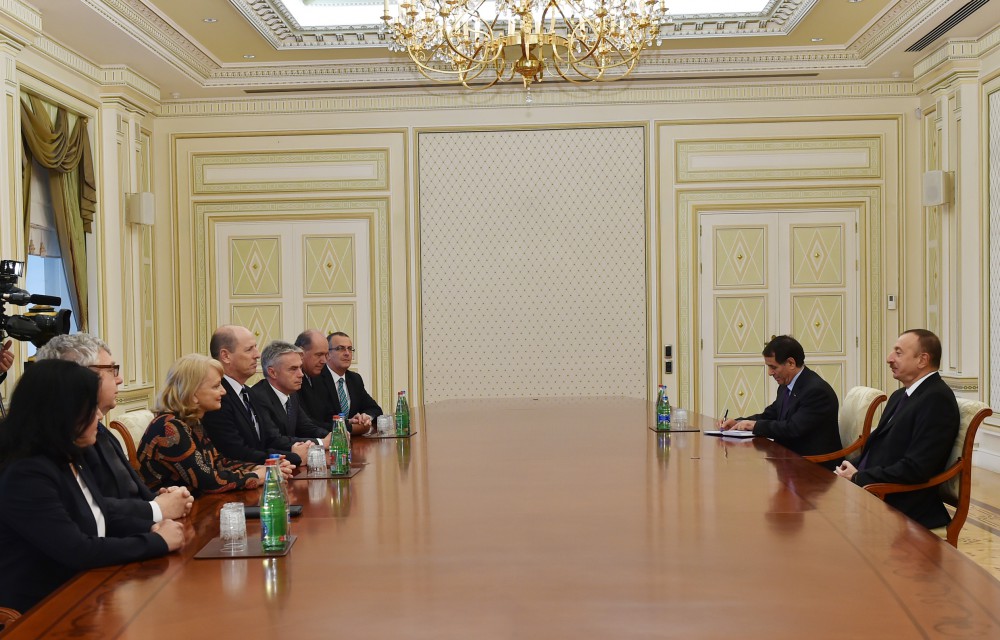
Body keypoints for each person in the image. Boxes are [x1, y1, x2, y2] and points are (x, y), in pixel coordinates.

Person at [0, 360, 183, 613]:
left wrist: (151, 526)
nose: (99, 416)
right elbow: (77, 549)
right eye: (90, 408)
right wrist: (156, 541)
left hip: (86, 590)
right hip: (41, 611)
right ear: (62, 414)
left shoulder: (69, 456)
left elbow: (99, 514)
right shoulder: (27, 474)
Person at [36, 334, 193, 522]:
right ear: (84, 376)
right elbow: (92, 510)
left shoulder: (101, 431)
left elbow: (130, 493)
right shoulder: (68, 440)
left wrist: (162, 499)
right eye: (112, 370)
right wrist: (156, 509)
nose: (120, 379)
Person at [835, 329, 960, 529]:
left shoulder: (937, 399)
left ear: (922, 360)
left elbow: (916, 468)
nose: (889, 358)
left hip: (903, 506)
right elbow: (879, 447)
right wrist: (848, 469)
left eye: (898, 353)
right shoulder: (900, 395)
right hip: (874, 492)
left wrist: (859, 477)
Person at [137, 354, 271, 495]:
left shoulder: (191, 421)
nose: (223, 391)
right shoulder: (170, 428)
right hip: (169, 507)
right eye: (216, 386)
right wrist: (255, 476)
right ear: (193, 393)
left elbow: (219, 463)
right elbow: (208, 481)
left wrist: (259, 468)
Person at [718, 335, 841, 467]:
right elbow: (770, 415)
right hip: (789, 461)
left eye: (773, 367)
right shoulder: (786, 386)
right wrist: (738, 422)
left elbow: (793, 428)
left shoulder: (816, 391)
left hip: (814, 466)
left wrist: (754, 426)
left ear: (791, 363)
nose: (770, 373)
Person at [201, 325, 313, 466]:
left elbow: (265, 443)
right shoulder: (216, 398)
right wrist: (293, 457)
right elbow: (235, 452)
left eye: (255, 347)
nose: (257, 355)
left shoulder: (249, 393)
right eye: (249, 349)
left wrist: (292, 452)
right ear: (226, 356)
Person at [296, 330, 382, 435]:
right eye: (340, 348)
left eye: (350, 349)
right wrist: (351, 427)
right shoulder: (315, 377)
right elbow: (312, 422)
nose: (347, 353)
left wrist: (365, 418)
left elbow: (375, 409)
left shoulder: (355, 379)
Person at [251, 340, 331, 445]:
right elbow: (274, 439)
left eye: (300, 367)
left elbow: (306, 427)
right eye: (293, 369)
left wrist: (333, 436)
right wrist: (321, 442)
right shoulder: (258, 397)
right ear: (273, 372)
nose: (301, 374)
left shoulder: (292, 394)